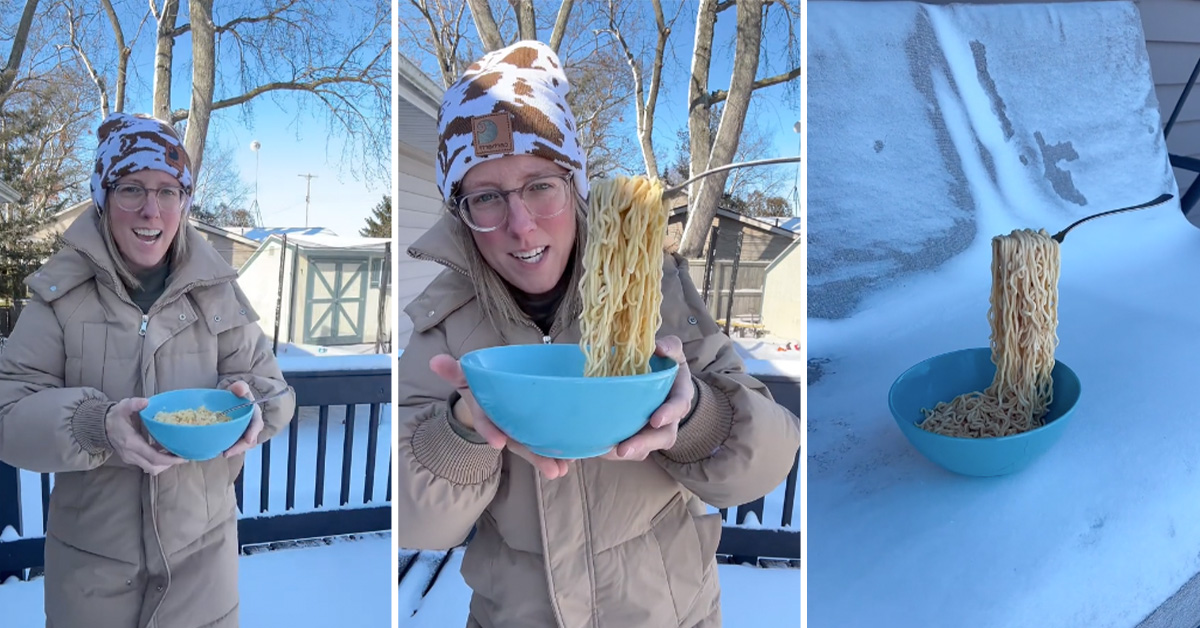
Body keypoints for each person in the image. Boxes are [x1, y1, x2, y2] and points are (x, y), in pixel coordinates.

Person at [395, 40, 802, 627]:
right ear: (460, 211)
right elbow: (418, 523)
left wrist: (693, 419)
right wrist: (459, 435)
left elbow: (767, 462)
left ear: (576, 185)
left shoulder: (655, 290)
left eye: (540, 185)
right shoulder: (441, 326)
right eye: (486, 197)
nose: (520, 223)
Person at [0, 112, 296, 628]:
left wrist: (247, 407)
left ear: (184, 201)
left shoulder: (217, 290)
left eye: (168, 191)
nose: (151, 210)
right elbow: (7, 411)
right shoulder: (58, 297)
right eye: (131, 188)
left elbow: (274, 390)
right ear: (102, 195)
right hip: (90, 576)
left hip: (203, 569)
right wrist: (94, 426)